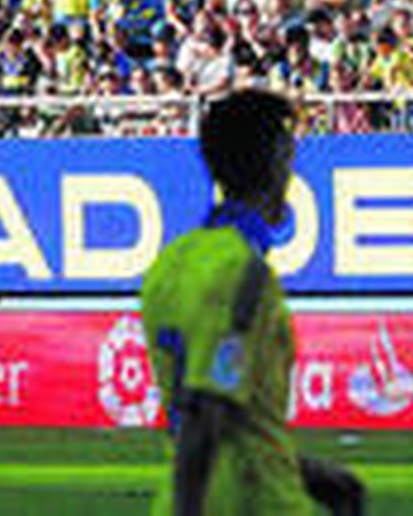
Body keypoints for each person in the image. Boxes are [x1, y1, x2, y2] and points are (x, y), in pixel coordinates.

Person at [140, 90, 363, 516]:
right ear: (276, 165)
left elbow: (230, 429)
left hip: (188, 495)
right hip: (252, 503)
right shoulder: (243, 274)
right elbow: (206, 413)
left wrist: (315, 477)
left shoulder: (169, 264)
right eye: (288, 160)